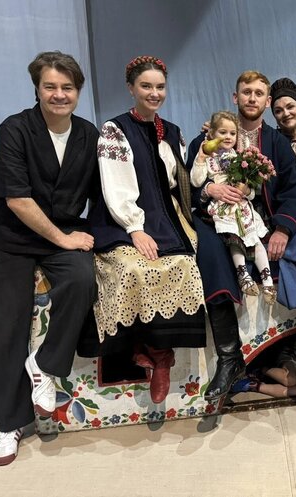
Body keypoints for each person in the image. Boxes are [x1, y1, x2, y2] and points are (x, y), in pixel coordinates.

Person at [186, 70, 296, 404]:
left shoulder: (276, 142)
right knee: (211, 254)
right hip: (221, 220)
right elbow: (190, 177)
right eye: (246, 92)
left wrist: (284, 228)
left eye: (259, 93)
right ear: (236, 97)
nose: (252, 98)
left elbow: (294, 187)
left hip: (268, 222)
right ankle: (230, 358)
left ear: (267, 101)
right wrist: (209, 189)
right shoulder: (212, 134)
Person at [0, 51, 98, 465]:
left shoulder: (88, 134)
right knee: (6, 325)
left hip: (60, 235)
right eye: (50, 86)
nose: (59, 94)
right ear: (37, 89)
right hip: (11, 238)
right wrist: (63, 239)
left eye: (67, 87)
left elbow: (103, 191)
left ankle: (44, 365)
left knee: (82, 281)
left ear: (78, 92)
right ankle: (8, 424)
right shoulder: (15, 129)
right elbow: (17, 199)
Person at [87, 56, 206, 405]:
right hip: (122, 217)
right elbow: (116, 186)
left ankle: (162, 355)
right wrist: (135, 229)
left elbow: (181, 179)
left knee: (183, 264)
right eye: (146, 86)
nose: (154, 93)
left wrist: (207, 147)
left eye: (160, 87)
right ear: (131, 88)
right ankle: (145, 349)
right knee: (132, 267)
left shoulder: (173, 131)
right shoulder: (115, 130)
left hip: (166, 214)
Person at [190, 111, 276, 303]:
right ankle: (242, 274)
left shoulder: (240, 157)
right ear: (211, 134)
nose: (228, 137)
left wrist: (246, 190)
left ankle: (267, 281)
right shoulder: (207, 157)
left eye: (232, 133)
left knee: (255, 240)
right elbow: (195, 181)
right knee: (234, 240)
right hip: (224, 207)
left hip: (243, 207)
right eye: (222, 132)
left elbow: (251, 192)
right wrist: (201, 157)